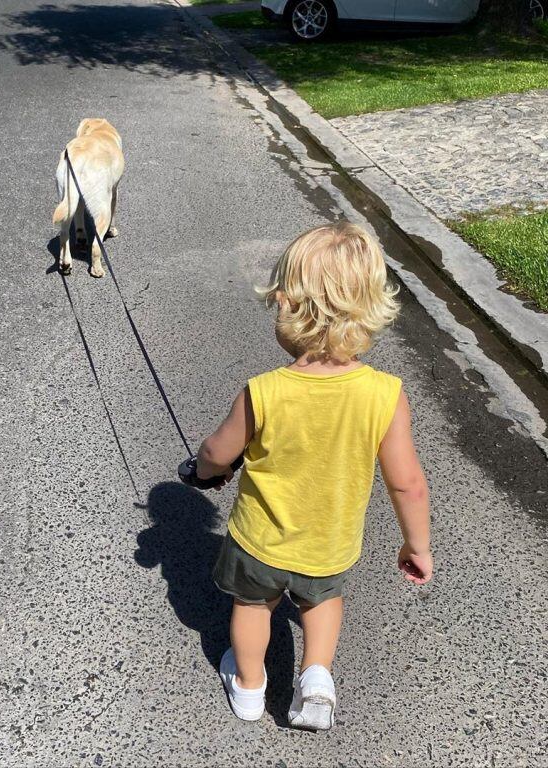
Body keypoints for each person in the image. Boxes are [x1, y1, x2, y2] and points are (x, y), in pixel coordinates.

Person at [196, 222, 432, 731]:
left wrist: (202, 468)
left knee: (253, 606)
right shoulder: (385, 395)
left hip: (260, 542)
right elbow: (407, 482)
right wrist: (417, 545)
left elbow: (219, 452)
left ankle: (251, 687)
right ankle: (317, 676)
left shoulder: (263, 391)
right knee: (321, 600)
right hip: (330, 543)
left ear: (285, 305)